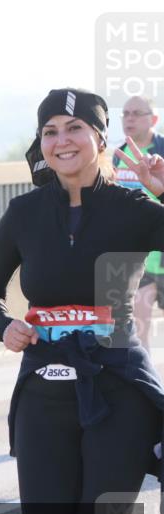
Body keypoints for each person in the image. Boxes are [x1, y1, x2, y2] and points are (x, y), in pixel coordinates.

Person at [0, 88, 164, 514]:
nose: (63, 140)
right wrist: (4, 326)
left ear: (100, 139)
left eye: (76, 128)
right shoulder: (24, 213)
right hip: (45, 391)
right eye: (51, 130)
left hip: (117, 388)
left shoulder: (136, 210)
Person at [113, 96, 164, 351]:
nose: (129, 118)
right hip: (138, 260)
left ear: (153, 119)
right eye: (125, 113)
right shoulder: (117, 157)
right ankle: (148, 388)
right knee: (138, 332)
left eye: (136, 113)